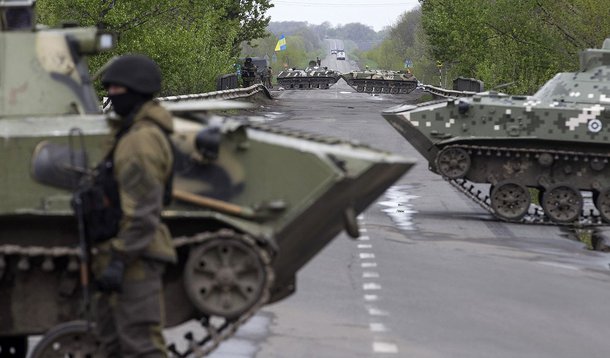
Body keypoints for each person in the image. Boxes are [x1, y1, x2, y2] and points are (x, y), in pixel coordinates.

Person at [93, 54, 177, 357]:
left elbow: (143, 210)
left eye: (116, 89)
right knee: (112, 346)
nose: (112, 95)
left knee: (141, 346)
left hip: (134, 259)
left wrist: (119, 259)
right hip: (124, 255)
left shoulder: (140, 140)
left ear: (135, 90)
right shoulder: (129, 133)